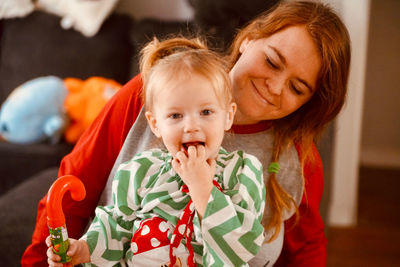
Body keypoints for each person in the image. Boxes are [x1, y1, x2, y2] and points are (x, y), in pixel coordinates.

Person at [23, 1, 351, 266]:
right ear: (250, 38)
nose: (275, 87)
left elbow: (306, 248)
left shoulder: (295, 159)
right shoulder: (153, 93)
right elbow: (72, 188)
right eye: (272, 61)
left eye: (297, 87)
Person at [46, 37, 265, 266]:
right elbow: (116, 226)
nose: (191, 126)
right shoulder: (141, 170)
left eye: (206, 112)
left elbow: (241, 247)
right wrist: (83, 248)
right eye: (176, 116)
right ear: (155, 124)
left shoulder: (242, 172)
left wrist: (202, 188)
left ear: (228, 116)